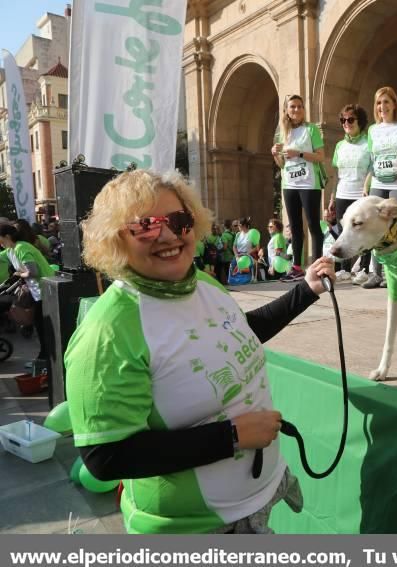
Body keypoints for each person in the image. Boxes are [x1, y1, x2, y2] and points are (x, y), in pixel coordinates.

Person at [65, 169, 335, 534]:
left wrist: (305, 290)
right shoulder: (107, 332)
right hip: (196, 527)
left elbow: (241, 333)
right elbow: (105, 456)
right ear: (115, 239)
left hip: (257, 498)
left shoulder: (201, 282)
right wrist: (233, 436)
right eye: (145, 225)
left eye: (179, 220)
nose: (167, 234)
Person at [272, 94, 326, 282]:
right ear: (286, 110)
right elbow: (281, 164)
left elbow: (320, 157)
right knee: (295, 227)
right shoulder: (282, 132)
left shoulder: (310, 130)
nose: (296, 110)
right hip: (289, 184)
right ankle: (296, 267)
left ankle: (319, 266)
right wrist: (275, 154)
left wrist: (300, 153)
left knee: (313, 224)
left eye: (300, 106)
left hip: (309, 183)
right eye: (293, 107)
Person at [363, 86, 397, 289]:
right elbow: (373, 161)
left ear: (394, 104)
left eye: (386, 102)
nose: (382, 106)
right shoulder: (373, 130)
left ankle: (396, 273)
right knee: (375, 226)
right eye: (379, 103)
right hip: (378, 183)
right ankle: (376, 273)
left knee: (396, 227)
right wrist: (367, 183)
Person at [0, 223, 55, 364]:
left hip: (47, 292)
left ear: (7, 236)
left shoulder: (21, 247)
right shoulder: (10, 250)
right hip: (38, 293)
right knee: (40, 327)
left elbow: (33, 272)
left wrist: (19, 273)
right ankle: (44, 358)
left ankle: (46, 360)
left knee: (43, 328)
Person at [330, 103, 372, 285]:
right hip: (342, 192)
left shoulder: (368, 142)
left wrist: (367, 186)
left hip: (360, 193)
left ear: (360, 121)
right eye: (343, 120)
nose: (346, 123)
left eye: (350, 119)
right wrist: (332, 197)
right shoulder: (340, 145)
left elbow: (372, 168)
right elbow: (336, 174)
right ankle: (345, 269)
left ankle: (364, 268)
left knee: (363, 231)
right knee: (343, 232)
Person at [217, 219, 235, 285]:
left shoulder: (224, 235)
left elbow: (224, 247)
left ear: (224, 226)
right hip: (233, 256)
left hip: (226, 257)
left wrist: (218, 250)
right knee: (233, 272)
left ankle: (230, 285)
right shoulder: (233, 234)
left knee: (228, 273)